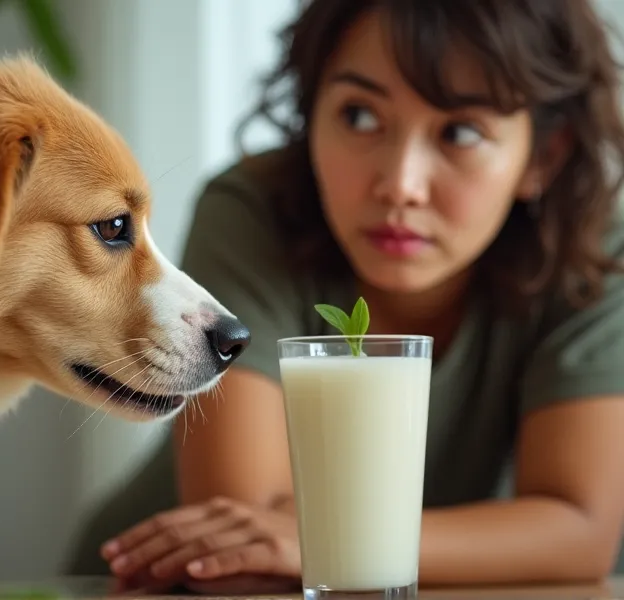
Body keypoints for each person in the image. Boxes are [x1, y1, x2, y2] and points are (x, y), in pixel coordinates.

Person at [87, 0, 624, 593]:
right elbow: (244, 529)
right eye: (360, 116)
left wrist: (320, 538)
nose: (399, 183)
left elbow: (579, 529)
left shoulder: (597, 249)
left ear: (544, 157)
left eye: (461, 132)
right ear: (311, 114)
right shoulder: (256, 209)